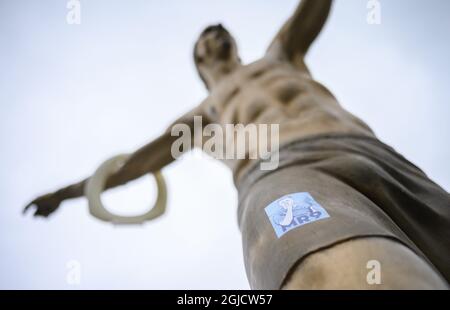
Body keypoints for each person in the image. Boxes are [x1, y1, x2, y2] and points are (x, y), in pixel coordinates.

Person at [25, 0, 450, 289]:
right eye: (205, 34)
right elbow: (129, 168)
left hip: (385, 162)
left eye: (219, 28)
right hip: (286, 176)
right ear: (199, 59)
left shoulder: (280, 56)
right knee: (336, 270)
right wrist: (64, 194)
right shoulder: (202, 115)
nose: (215, 31)